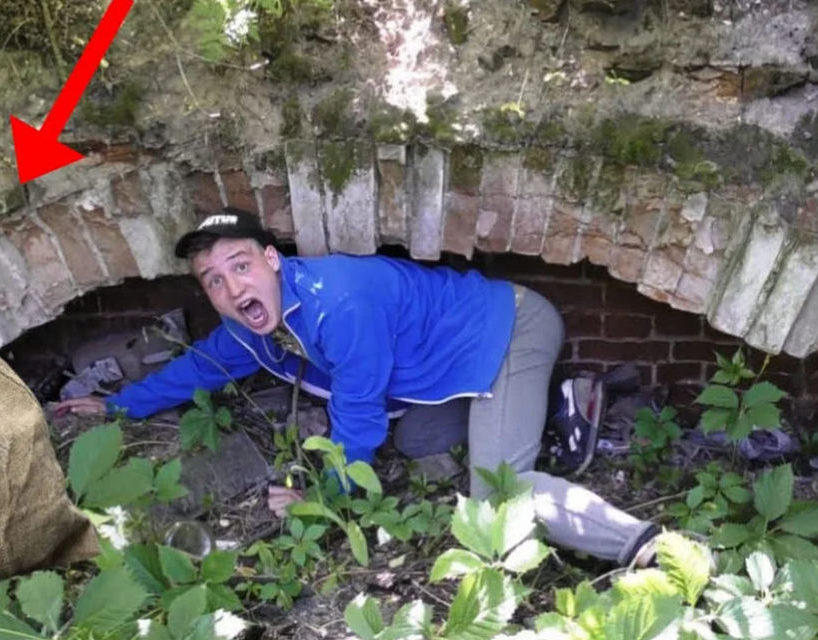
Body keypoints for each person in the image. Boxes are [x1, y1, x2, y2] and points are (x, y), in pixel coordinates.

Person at [53, 208, 660, 566]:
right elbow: (203, 366)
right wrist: (115, 406)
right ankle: (559, 404)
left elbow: (359, 415)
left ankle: (640, 543)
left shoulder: (338, 304)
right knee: (418, 443)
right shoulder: (250, 322)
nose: (232, 288)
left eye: (240, 266)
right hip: (449, 369)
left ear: (271, 259)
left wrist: (323, 500)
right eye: (213, 280)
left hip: (510, 330)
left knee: (496, 495)